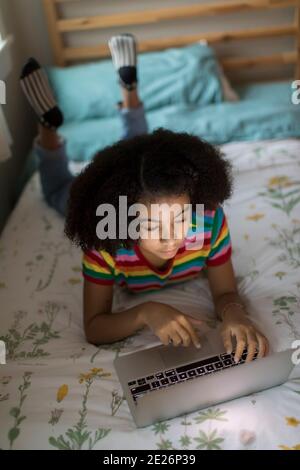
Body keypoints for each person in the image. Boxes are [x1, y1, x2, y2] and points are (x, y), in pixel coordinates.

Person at [20, 34, 269, 362]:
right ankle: (48, 125)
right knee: (57, 190)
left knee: (144, 158)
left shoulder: (208, 220)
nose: (172, 238)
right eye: (151, 226)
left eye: (181, 219)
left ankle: (129, 89)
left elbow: (224, 292)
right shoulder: (106, 237)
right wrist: (145, 313)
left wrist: (236, 315)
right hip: (107, 197)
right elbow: (95, 327)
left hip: (143, 180)